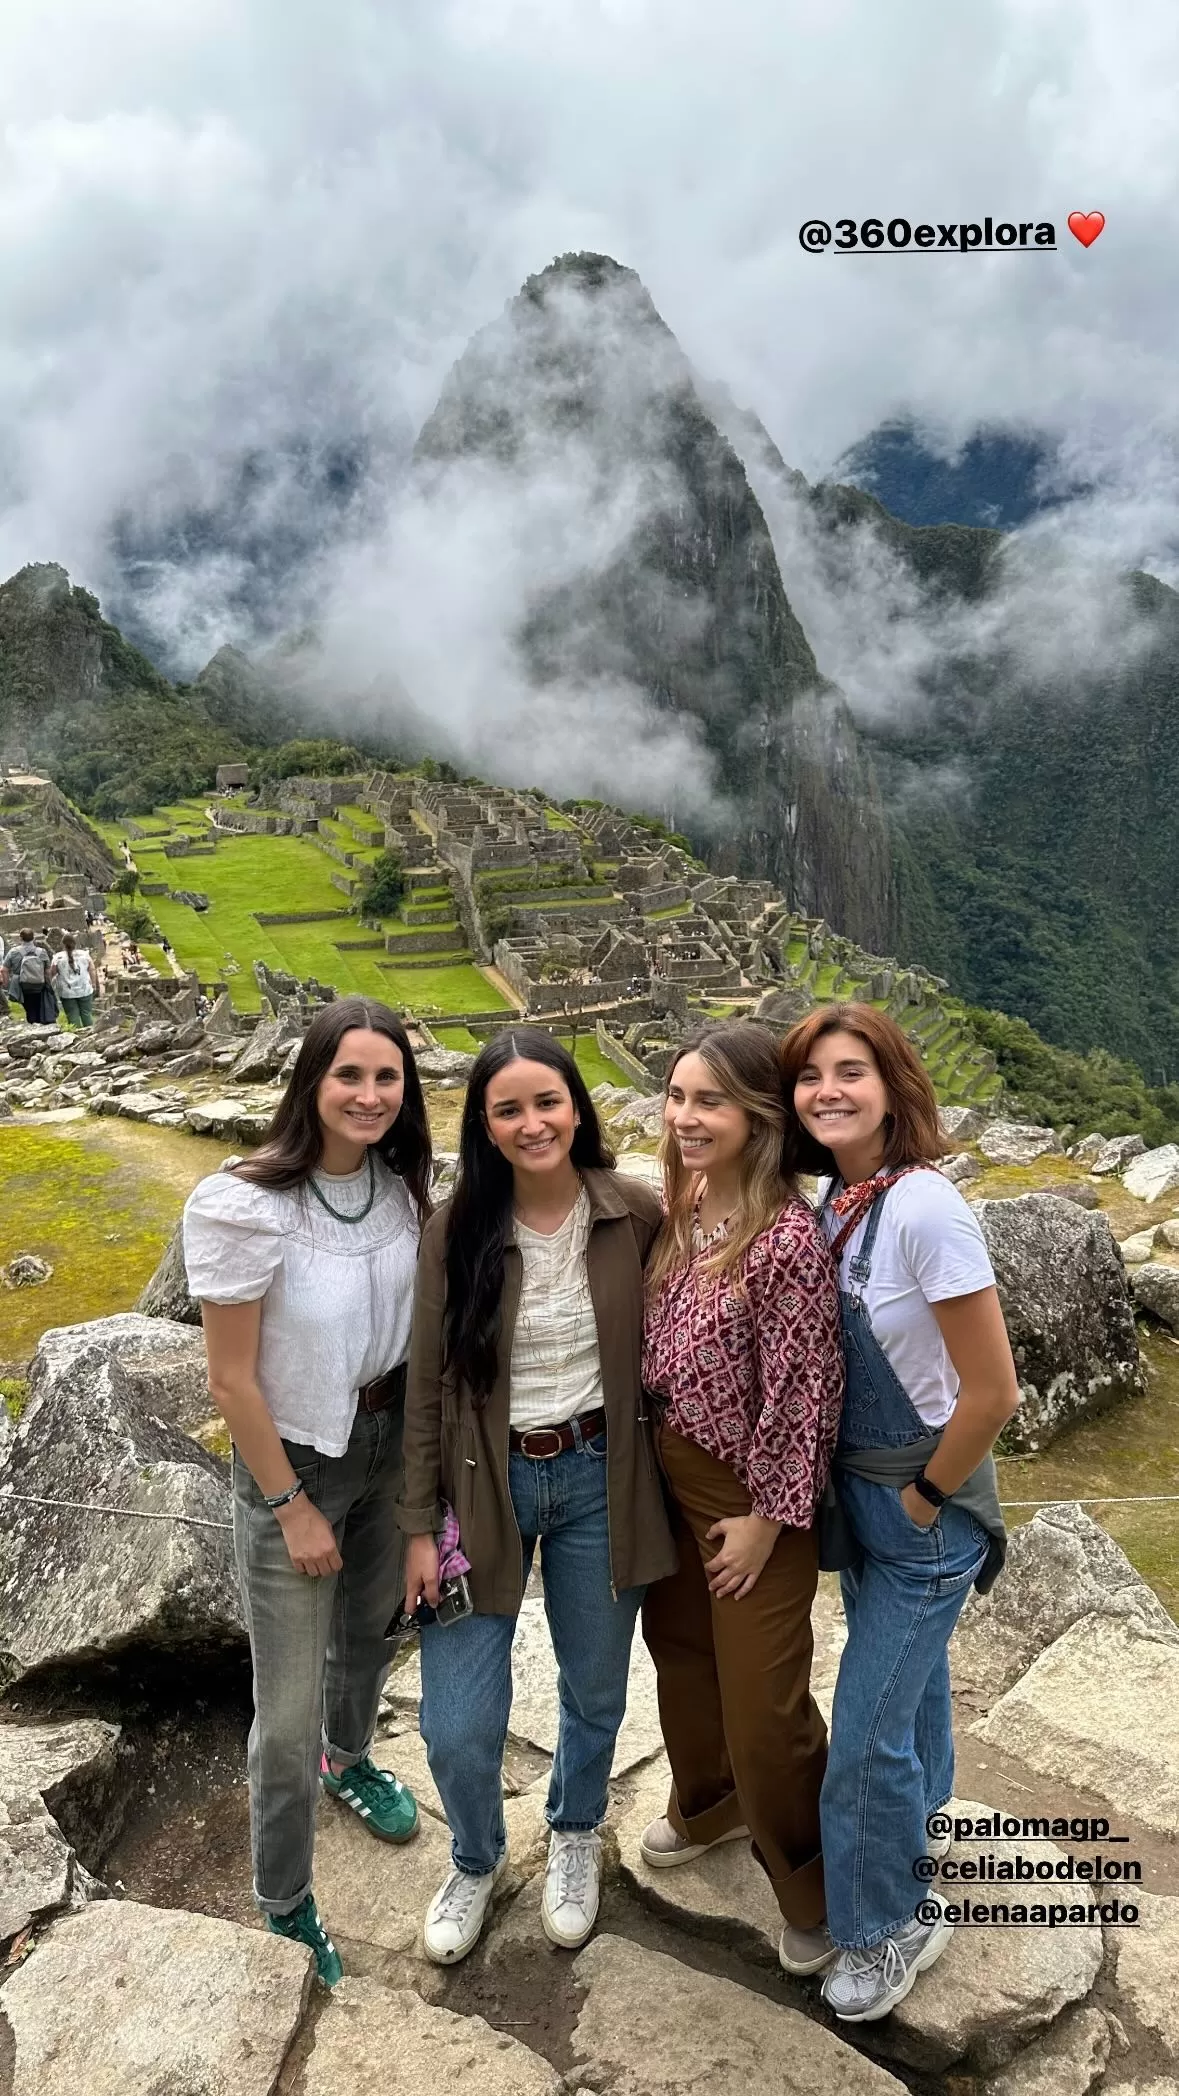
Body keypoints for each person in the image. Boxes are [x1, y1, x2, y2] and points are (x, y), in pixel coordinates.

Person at [400, 1026, 675, 1966]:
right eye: (507, 1109)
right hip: (484, 1489)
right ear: (483, 1124)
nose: (531, 1124)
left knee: (595, 1689)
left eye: (545, 1102)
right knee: (457, 1725)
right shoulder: (457, 1230)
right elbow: (428, 1389)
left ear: (576, 1106)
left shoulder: (632, 1214)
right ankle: (475, 1857)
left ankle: (573, 1833)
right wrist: (414, 1529)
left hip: (605, 1479)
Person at [182, 996, 433, 1987]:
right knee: (279, 1710)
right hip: (296, 1461)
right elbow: (232, 1378)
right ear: (312, 1082)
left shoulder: (403, 1186)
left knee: (367, 1636)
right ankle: (283, 1895)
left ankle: (351, 1756)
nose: (370, 1095)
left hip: (384, 1441)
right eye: (350, 1075)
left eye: (387, 1077)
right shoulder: (244, 1203)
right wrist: (290, 1505)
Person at [781, 1003, 1019, 2022]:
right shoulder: (840, 1196)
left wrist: (923, 1500)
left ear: (895, 1086)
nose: (828, 1090)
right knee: (912, 1698)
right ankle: (919, 1829)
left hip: (922, 1514)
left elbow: (994, 1389)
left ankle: (887, 1923)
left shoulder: (924, 1206)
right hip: (868, 1508)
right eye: (809, 1076)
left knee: (864, 1734)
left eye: (851, 1071)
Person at [640, 1023, 845, 1976]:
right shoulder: (683, 1203)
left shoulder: (784, 1237)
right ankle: (708, 1804)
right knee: (680, 1655)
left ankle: (811, 1881)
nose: (685, 1117)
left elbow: (803, 1391)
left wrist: (767, 1517)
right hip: (666, 1469)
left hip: (748, 1494)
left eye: (708, 1101)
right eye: (677, 1096)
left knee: (765, 1703)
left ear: (758, 1117)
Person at [1, 927, 54, 1024]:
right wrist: (48, 983)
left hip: (21, 984)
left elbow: (4, 969)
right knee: (38, 1004)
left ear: (20, 938)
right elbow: (47, 970)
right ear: (33, 938)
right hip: (39, 983)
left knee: (28, 1006)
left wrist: (6, 983)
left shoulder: (13, 952)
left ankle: (32, 1024)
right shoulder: (41, 952)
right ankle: (41, 1023)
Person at [51, 933, 98, 1028]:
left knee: (72, 1015)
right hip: (84, 989)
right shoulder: (85, 955)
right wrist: (93, 984)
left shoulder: (57, 957)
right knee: (86, 1014)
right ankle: (89, 1034)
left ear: (63, 944)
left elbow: (53, 972)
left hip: (66, 992)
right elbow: (92, 970)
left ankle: (76, 1035)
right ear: (75, 943)